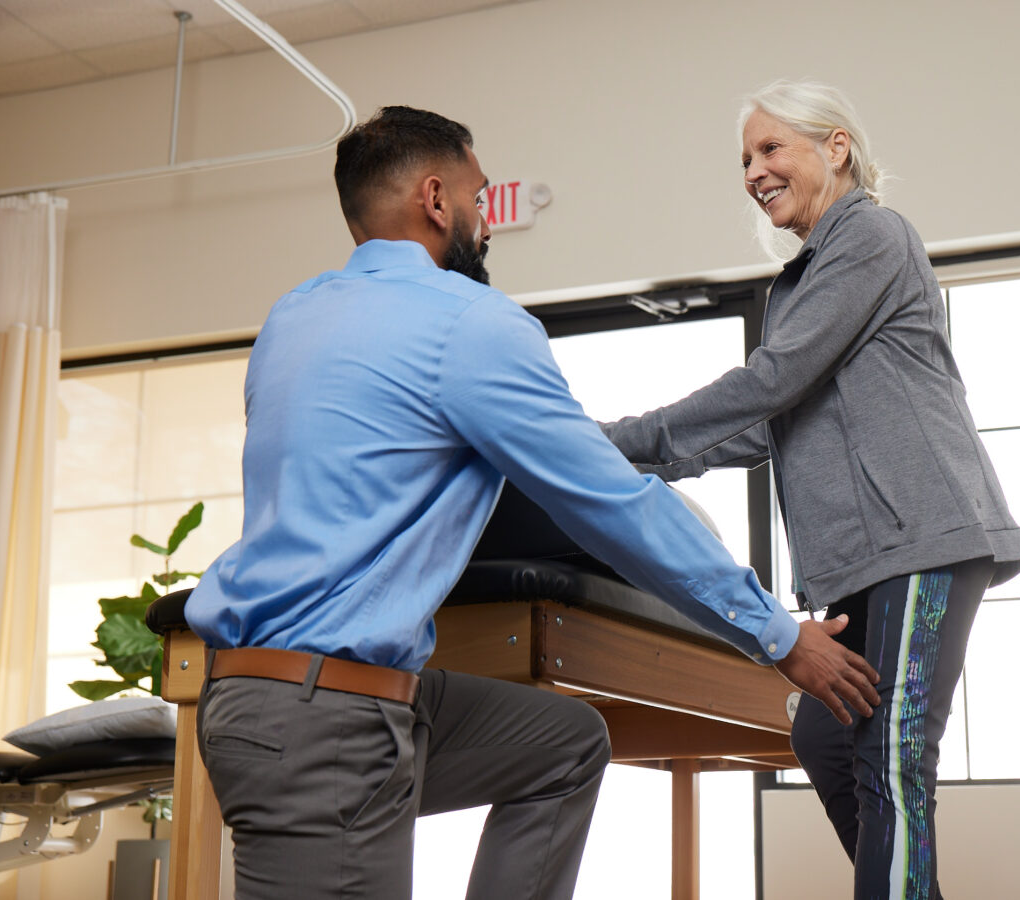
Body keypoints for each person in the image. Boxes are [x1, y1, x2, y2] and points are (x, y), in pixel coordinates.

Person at [183, 105, 881, 900]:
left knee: (563, 743)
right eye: (481, 202)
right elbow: (612, 505)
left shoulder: (291, 319)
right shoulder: (470, 324)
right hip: (324, 720)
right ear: (438, 200)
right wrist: (775, 633)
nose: (488, 226)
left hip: (285, 699)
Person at [600, 81, 1020, 899]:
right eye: (745, 159)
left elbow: (774, 378)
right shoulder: (804, 279)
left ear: (836, 147)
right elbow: (764, 425)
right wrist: (616, 462)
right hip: (860, 562)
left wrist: (621, 438)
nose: (754, 171)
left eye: (771, 149)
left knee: (893, 756)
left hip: (923, 537)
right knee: (830, 745)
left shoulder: (871, 234)